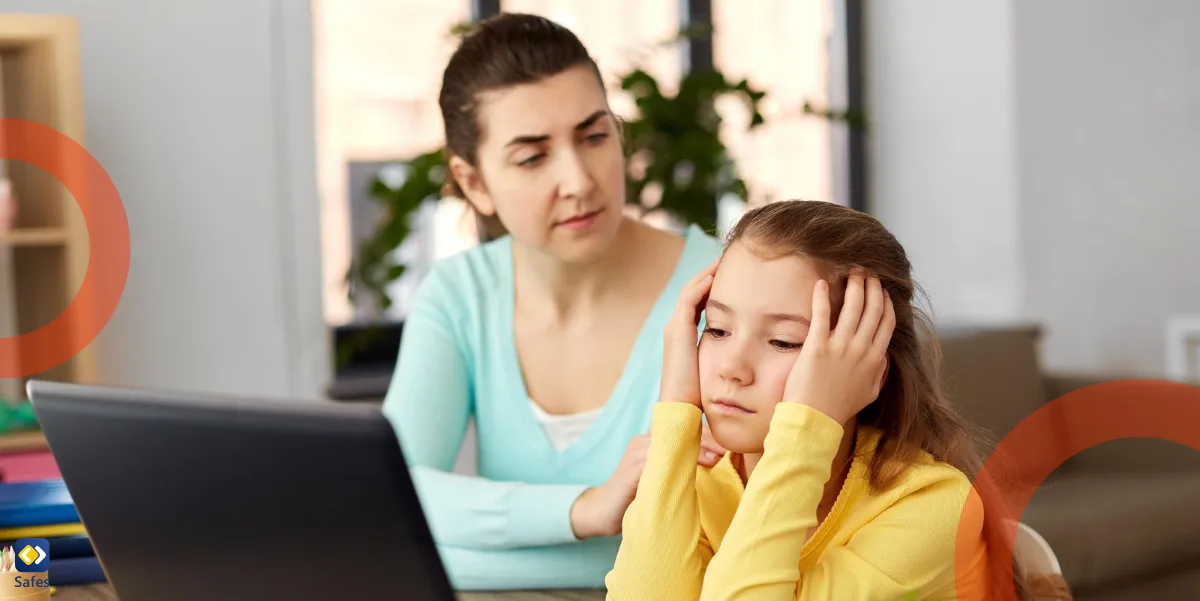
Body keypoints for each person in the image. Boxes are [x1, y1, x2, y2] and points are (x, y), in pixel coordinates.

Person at [380, 13, 727, 591]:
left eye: (594, 136)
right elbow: (392, 495)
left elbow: (721, 545)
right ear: (473, 182)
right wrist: (586, 510)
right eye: (533, 156)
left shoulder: (720, 289)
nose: (579, 180)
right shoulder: (460, 294)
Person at [605, 200, 1055, 600]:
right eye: (718, 329)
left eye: (783, 341)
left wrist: (806, 428)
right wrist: (674, 418)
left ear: (866, 367)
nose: (732, 367)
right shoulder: (701, 483)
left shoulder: (935, 507)